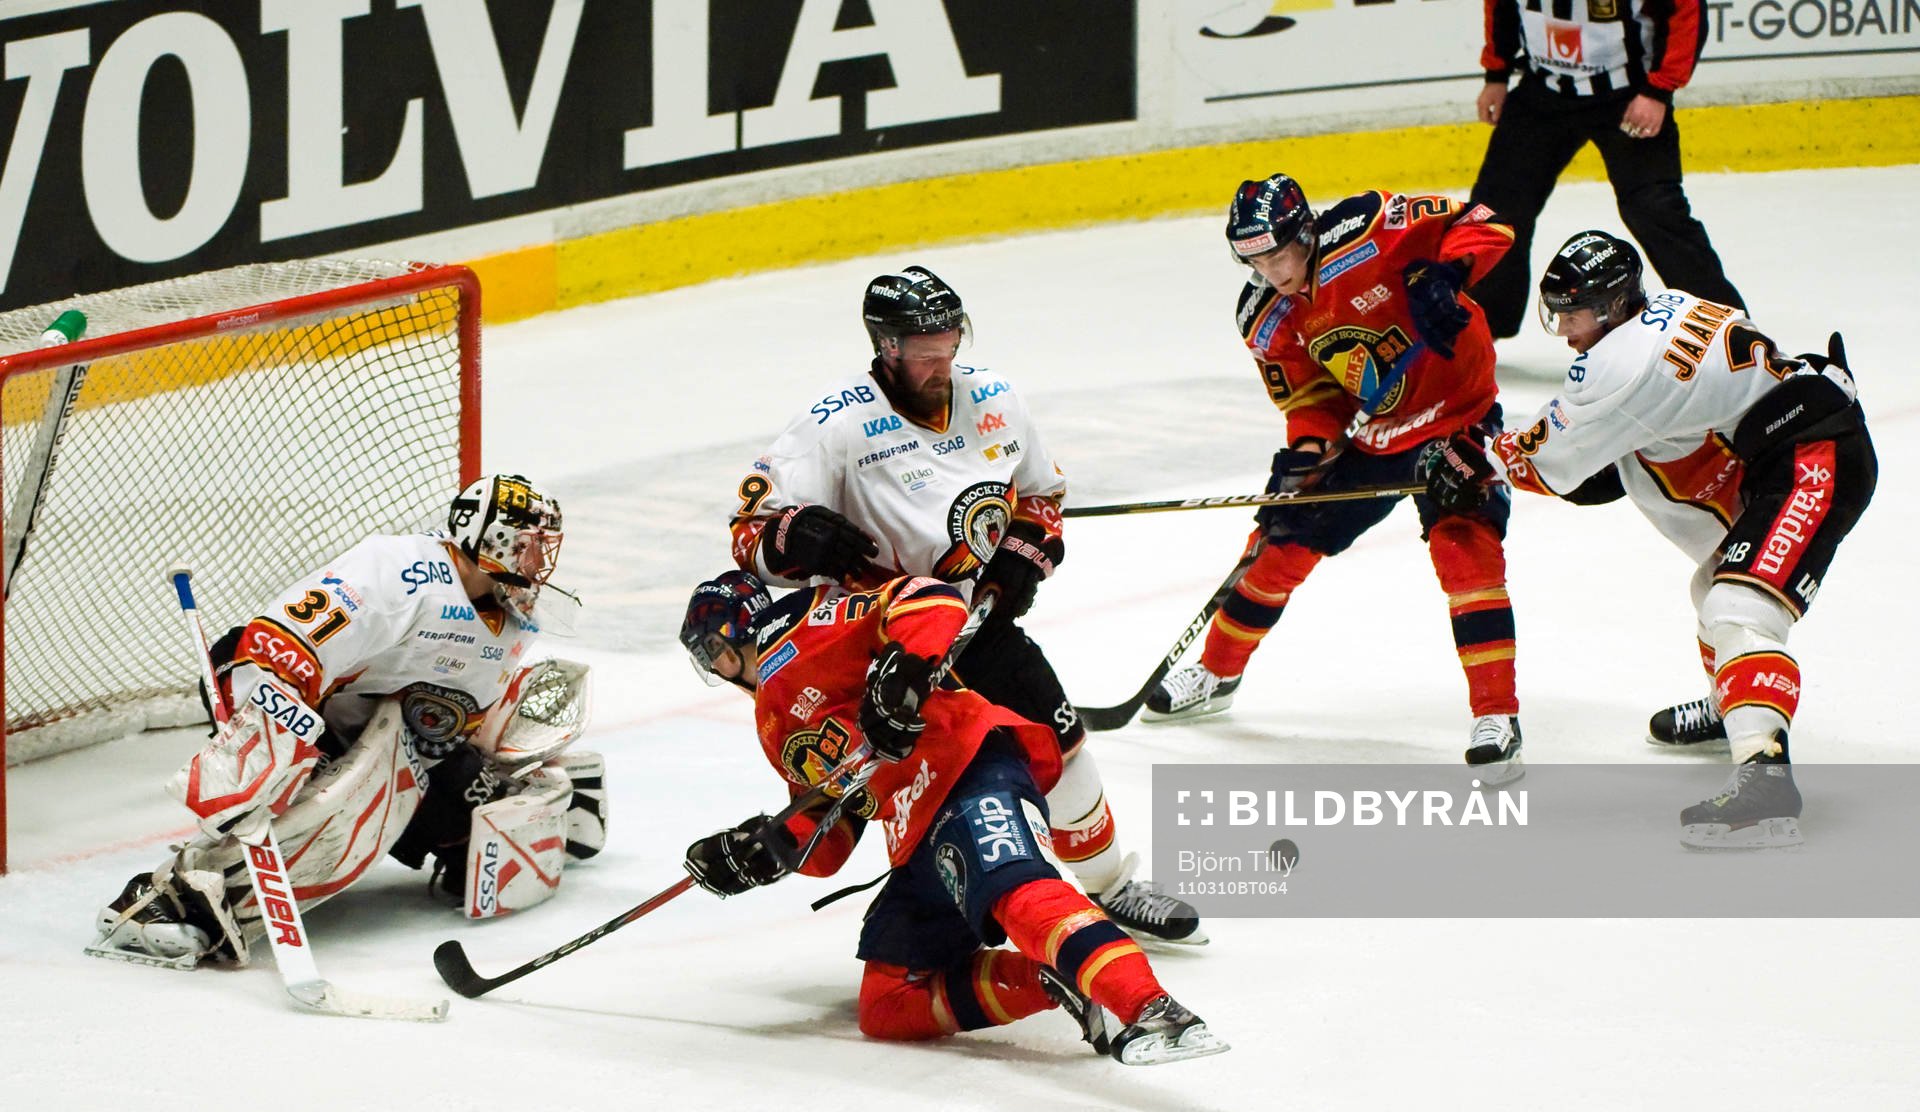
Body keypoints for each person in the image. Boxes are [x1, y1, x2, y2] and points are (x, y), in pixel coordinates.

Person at [725, 265, 1203, 944]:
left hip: (976, 626)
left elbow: (1040, 498)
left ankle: (1110, 885)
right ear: (885, 347)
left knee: (1060, 738)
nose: (941, 362)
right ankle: (927, 914)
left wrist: (1022, 558)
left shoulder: (997, 398)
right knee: (882, 786)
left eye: (950, 342)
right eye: (924, 350)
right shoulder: (833, 426)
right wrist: (794, 533)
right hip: (881, 645)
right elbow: (748, 533)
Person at [1419, 231, 1876, 847]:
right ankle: (1734, 706)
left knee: (1738, 606)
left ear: (1611, 308)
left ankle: (1768, 788)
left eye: (1572, 314)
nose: (1565, 330)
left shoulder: (1620, 364)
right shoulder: (1666, 309)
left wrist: (1478, 462)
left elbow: (1557, 457)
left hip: (1812, 454)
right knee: (1712, 584)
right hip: (1788, 441)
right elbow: (1635, 437)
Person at [676, 568, 1228, 1065]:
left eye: (717, 652)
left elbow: (931, 599)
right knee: (888, 1004)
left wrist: (904, 670)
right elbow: (832, 826)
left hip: (967, 764)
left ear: (742, 627)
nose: (721, 670)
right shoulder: (773, 723)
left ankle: (1152, 1007)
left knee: (1018, 892)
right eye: (708, 662)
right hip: (916, 828)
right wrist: (766, 849)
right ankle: (1058, 981)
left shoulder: (803, 622)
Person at [90, 474, 607, 968]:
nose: (540, 560)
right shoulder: (402, 572)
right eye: (528, 544)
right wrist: (273, 737)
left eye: (545, 545)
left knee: (476, 822)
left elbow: (458, 714)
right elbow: (280, 646)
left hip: (383, 724)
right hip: (276, 683)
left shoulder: (514, 614)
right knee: (333, 809)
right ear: (488, 540)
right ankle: (165, 900)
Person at [1147, 173, 1527, 783]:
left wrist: (1446, 274)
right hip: (1375, 435)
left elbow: (1488, 221)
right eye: (1254, 260)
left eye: (1277, 254)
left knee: (1466, 550)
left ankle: (1497, 715)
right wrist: (1306, 450)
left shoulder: (1369, 227)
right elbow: (1315, 395)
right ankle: (1218, 671)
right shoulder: (1263, 314)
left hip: (1460, 415)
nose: (1270, 271)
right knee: (1280, 542)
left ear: (1305, 233)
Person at [1467, 0, 1744, 340]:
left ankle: (1724, 328)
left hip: (1628, 96)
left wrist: (1658, 90)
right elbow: (1502, 6)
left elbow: (1686, 11)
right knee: (1495, 210)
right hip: (1543, 92)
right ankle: (1482, 326)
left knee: (1653, 208)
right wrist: (1496, 73)